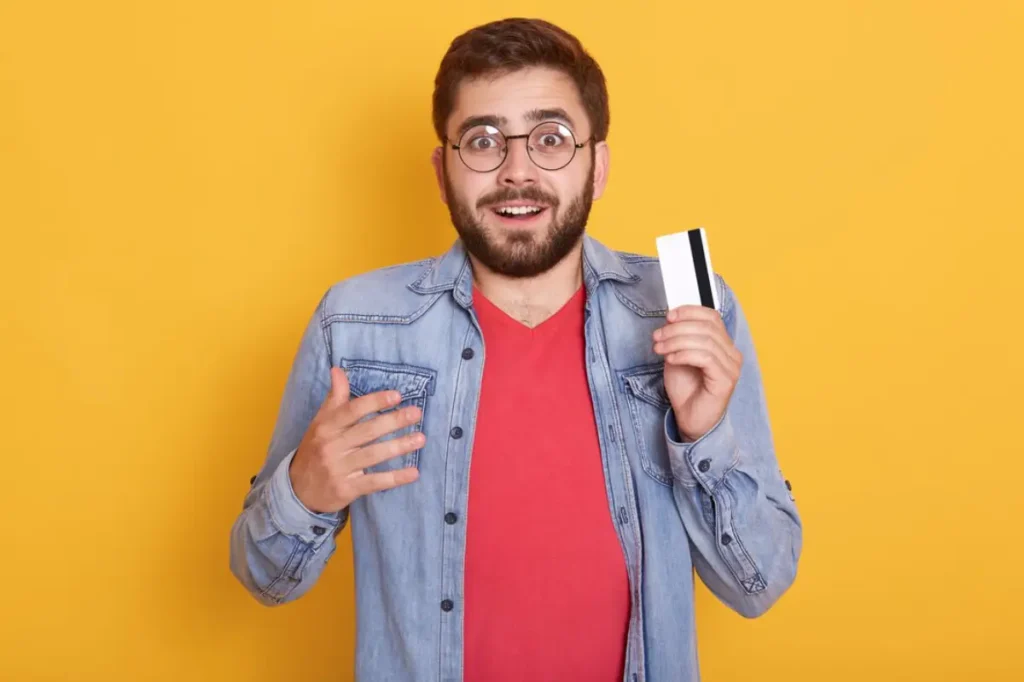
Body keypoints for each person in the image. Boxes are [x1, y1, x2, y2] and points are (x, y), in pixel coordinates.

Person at [229, 17, 802, 682]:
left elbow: (759, 585)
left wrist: (702, 435)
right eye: (483, 141)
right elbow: (262, 577)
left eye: (551, 139)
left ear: (599, 164)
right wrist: (305, 492)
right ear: (443, 172)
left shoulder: (689, 310)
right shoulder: (356, 325)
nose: (517, 171)